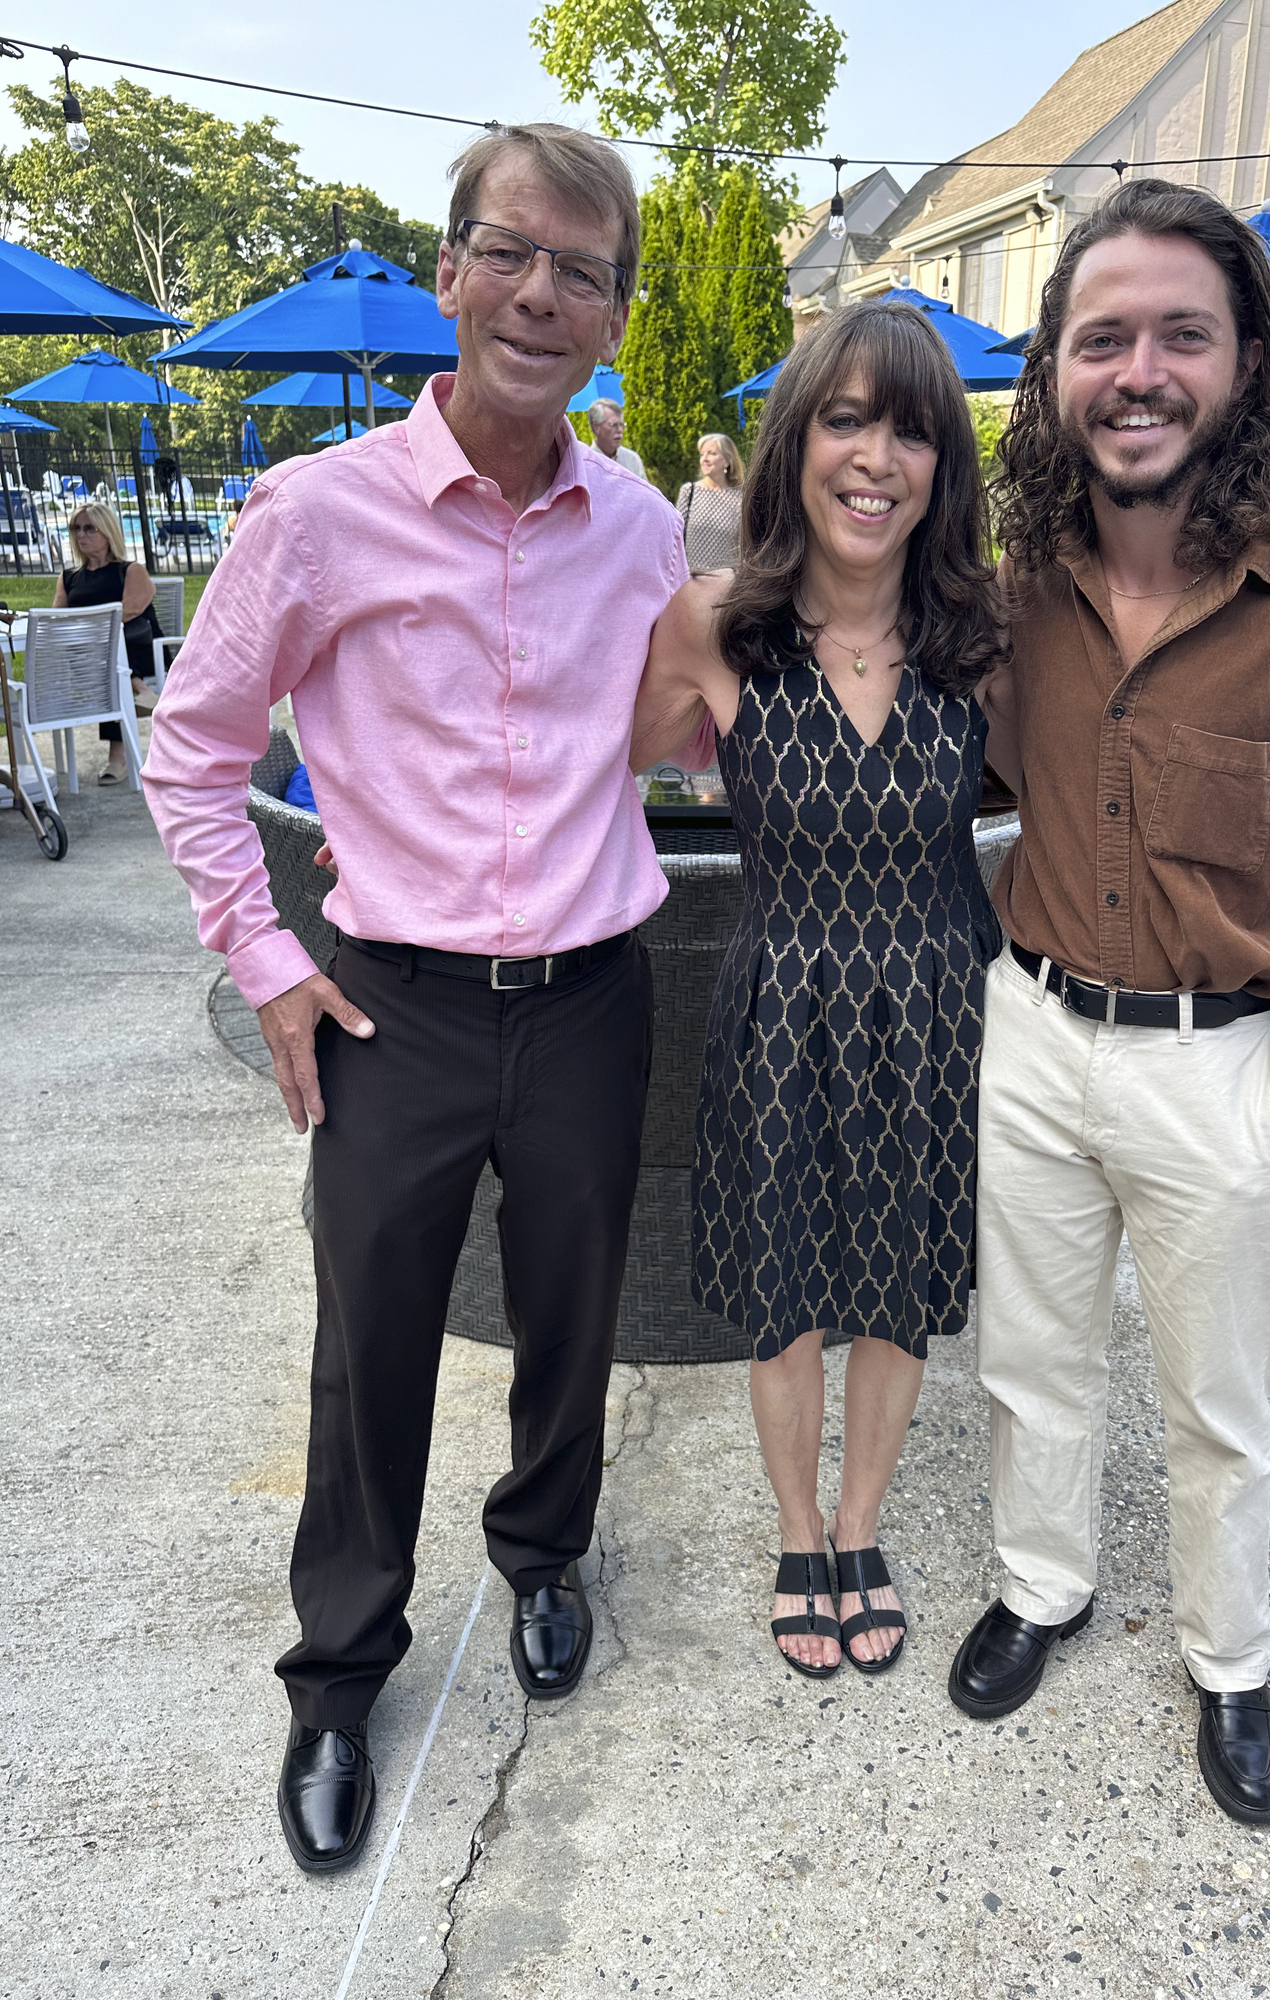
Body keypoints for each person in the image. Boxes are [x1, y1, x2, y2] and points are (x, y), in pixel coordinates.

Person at [144, 121, 686, 1875]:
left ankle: (542, 1552)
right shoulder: (315, 517)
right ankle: (337, 1670)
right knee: (367, 1337)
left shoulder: (646, 530)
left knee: (573, 1305)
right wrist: (271, 962)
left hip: (595, 987)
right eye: (510, 252)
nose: (541, 293)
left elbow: (673, 738)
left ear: (613, 310)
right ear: (450, 270)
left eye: (582, 269)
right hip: (396, 1003)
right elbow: (194, 754)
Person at [949, 178, 1270, 1826]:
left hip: (1222, 1064)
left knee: (1216, 1393)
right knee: (1030, 1358)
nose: (1139, 370)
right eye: (1103, 338)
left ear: (1247, 360)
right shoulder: (1016, 591)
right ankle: (1042, 1586)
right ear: (1057, 375)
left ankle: (1231, 1659)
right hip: (1027, 1035)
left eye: (1182, 333)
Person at [633, 300, 1009, 1680]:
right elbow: (588, 772)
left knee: (898, 1287)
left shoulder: (981, 633)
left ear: (939, 467)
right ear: (796, 446)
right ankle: (799, 1534)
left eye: (910, 428)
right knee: (787, 1290)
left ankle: (863, 1526)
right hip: (779, 1003)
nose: (876, 456)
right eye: (846, 418)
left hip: (937, 1010)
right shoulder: (718, 627)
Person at [53, 502, 161, 784]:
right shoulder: (68, 578)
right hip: (92, 656)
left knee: (112, 655)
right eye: (76, 528)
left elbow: (129, 612)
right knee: (107, 661)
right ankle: (137, 687)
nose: (81, 535)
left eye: (89, 528)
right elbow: (56, 621)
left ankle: (118, 758)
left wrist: (88, 628)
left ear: (108, 531)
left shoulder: (130, 571)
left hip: (134, 650)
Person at [675, 432, 744, 573]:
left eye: (711, 453)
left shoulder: (740, 499)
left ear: (727, 461)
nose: (704, 459)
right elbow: (676, 539)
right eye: (702, 454)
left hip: (725, 585)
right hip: (691, 581)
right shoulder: (689, 492)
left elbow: (745, 548)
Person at [587, 396, 644, 477]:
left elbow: (644, 489)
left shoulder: (633, 460)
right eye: (613, 425)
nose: (619, 430)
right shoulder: (586, 463)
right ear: (596, 427)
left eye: (621, 425)